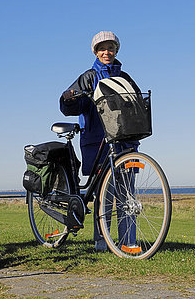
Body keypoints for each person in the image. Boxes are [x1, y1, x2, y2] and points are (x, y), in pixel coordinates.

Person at [59, 31, 139, 251]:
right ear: (95, 51)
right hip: (97, 141)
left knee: (126, 195)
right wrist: (69, 99)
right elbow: (71, 102)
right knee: (104, 194)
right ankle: (102, 241)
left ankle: (128, 242)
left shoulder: (125, 77)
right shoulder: (88, 77)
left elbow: (137, 104)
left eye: (111, 48)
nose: (107, 52)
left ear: (116, 50)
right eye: (102, 48)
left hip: (124, 142)